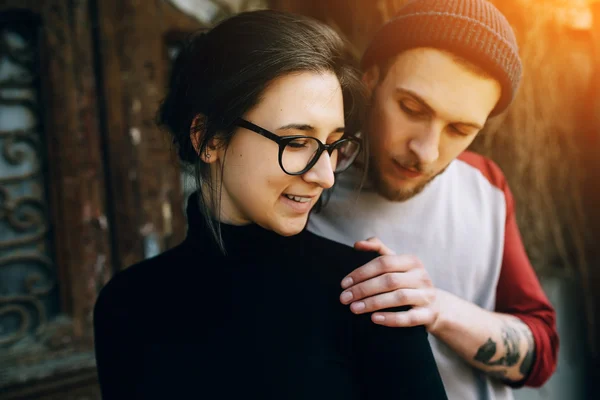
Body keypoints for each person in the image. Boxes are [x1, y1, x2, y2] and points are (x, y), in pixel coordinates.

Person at [93, 10, 447, 400]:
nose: (325, 176)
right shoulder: (127, 305)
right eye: (296, 142)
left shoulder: (369, 298)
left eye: (333, 145)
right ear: (208, 138)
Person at [308, 1, 559, 399]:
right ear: (371, 80)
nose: (425, 151)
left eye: (460, 129)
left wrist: (437, 309)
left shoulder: (486, 186)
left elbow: (541, 353)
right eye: (411, 108)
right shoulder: (305, 182)